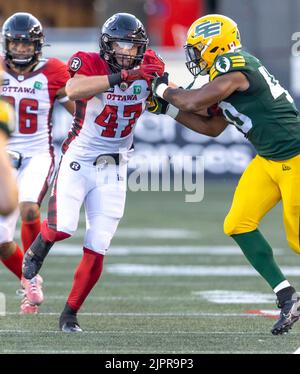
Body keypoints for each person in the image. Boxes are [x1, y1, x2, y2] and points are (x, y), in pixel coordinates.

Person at [150, 14, 300, 335]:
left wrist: (162, 88)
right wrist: (167, 107)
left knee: (297, 241)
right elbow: (212, 126)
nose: (193, 56)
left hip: (295, 158)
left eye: (197, 49)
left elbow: (194, 99)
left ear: (215, 45)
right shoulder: (226, 74)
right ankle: (287, 296)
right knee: (238, 224)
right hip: (269, 159)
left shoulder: (234, 63)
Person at [23, 12, 164, 332]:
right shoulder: (87, 61)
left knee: (99, 243)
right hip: (80, 158)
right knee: (62, 227)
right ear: (106, 45)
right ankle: (37, 250)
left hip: (115, 163)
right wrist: (125, 77)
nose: (127, 52)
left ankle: (69, 314)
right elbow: (73, 90)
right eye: (120, 45)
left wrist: (164, 87)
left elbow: (164, 92)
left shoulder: (149, 65)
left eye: (133, 46)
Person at [0, 12, 75, 314]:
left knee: (29, 206)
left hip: (36, 154)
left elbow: (76, 108)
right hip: (3, 154)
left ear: (38, 45)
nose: (20, 49)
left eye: (26, 44)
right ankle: (28, 282)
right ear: (7, 45)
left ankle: (30, 269)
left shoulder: (54, 71)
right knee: (2, 241)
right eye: (15, 44)